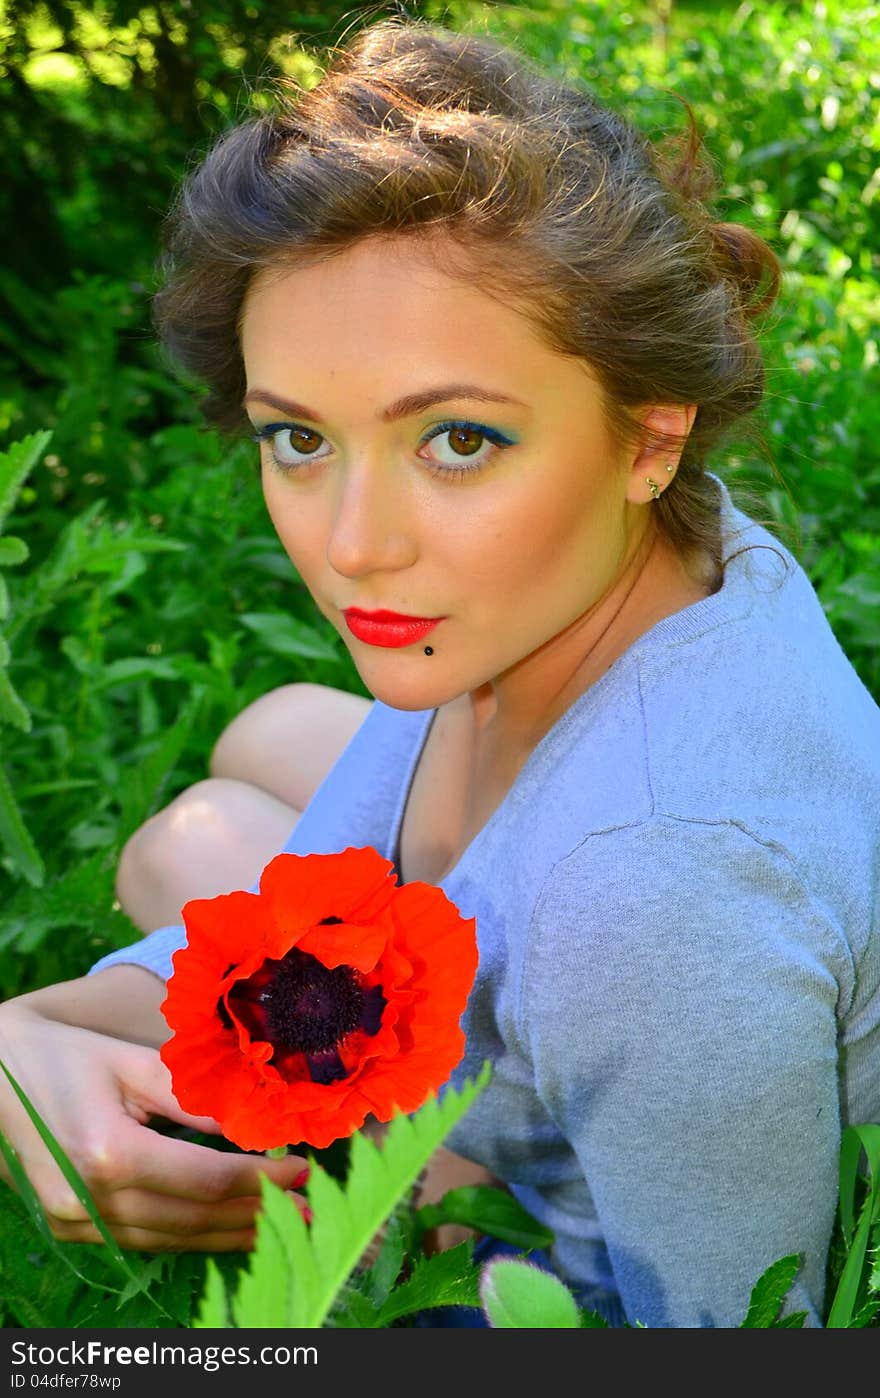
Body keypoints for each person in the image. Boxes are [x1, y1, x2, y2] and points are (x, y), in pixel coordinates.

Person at [1, 15, 878, 1328]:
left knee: (178, 858)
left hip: (568, 1189)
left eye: (458, 438)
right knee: (267, 741)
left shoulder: (653, 892)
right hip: (581, 967)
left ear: (651, 429)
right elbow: (328, 908)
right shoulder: (588, 577)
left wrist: (367, 1214)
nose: (354, 548)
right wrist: (20, 1040)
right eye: (296, 437)